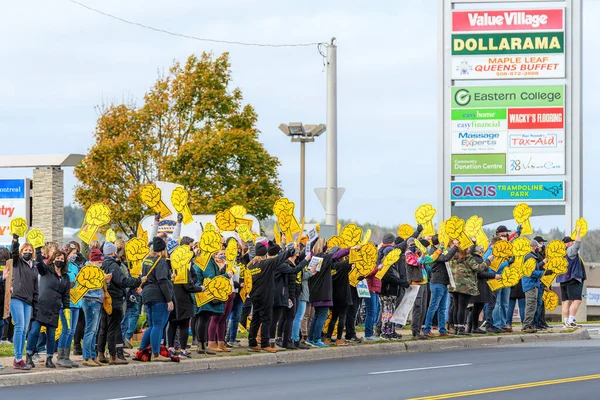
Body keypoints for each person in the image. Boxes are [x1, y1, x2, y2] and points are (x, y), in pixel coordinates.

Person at [25, 248, 71, 369]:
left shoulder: (65, 277)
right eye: (57, 258)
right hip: (41, 306)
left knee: (51, 335)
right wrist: (39, 250)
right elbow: (39, 263)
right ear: (53, 259)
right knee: (34, 331)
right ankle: (29, 355)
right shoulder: (46, 270)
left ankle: (49, 358)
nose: (59, 260)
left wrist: (67, 308)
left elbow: (66, 295)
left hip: (54, 309)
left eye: (62, 259)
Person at [98, 242, 142, 365]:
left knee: (104, 327)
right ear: (113, 252)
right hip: (114, 300)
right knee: (113, 328)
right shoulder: (113, 266)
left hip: (104, 299)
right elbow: (122, 281)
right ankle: (113, 356)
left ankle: (100, 353)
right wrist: (138, 281)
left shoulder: (102, 264)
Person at [247, 241, 295, 352]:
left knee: (256, 319)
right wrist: (290, 251)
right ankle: (265, 344)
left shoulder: (250, 265)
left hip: (255, 296)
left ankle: (252, 343)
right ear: (264, 253)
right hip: (266, 295)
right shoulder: (266, 263)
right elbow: (279, 258)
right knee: (266, 320)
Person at [307, 240, 349, 347]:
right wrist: (351, 249)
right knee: (322, 316)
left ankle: (310, 338)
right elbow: (337, 255)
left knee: (316, 316)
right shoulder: (323, 258)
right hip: (323, 293)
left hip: (315, 292)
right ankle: (316, 339)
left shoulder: (313, 258)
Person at [168, 236, 203, 357]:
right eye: (191, 247)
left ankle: (171, 348)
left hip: (172, 296)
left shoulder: (171, 262)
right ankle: (182, 350)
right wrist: (200, 288)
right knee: (183, 324)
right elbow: (188, 286)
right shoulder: (183, 265)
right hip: (182, 298)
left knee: (172, 324)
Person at [139, 237, 174, 361]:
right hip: (159, 295)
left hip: (147, 294)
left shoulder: (147, 260)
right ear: (163, 249)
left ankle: (141, 350)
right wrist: (169, 300)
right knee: (158, 325)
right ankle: (156, 353)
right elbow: (162, 281)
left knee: (152, 325)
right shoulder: (161, 262)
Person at [193, 246, 232, 355]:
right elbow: (211, 278)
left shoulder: (202, 258)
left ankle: (202, 345)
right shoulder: (207, 261)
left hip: (201, 291)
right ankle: (202, 345)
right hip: (206, 293)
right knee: (204, 319)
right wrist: (225, 275)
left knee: (202, 319)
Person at [9, 234, 38, 370]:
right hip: (17, 297)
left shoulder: (34, 267)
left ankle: (19, 359)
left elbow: (35, 286)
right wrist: (15, 240)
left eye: (30, 250)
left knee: (24, 329)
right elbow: (13, 252)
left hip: (28, 300)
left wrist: (35, 302)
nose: (28, 252)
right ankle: (18, 358)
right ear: (21, 252)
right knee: (19, 327)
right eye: (25, 250)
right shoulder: (17, 262)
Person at [449, 248, 493, 335]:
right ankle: (461, 328)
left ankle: (457, 328)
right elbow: (478, 268)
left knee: (456, 307)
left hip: (454, 285)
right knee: (462, 307)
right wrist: (488, 260)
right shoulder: (467, 257)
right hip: (465, 285)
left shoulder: (452, 257)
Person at [272, 244, 308, 350]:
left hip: (296, 293)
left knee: (290, 317)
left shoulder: (294, 262)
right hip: (289, 294)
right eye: (297, 251)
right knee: (289, 317)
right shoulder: (286, 264)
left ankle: (286, 340)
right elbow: (293, 272)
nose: (298, 252)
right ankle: (286, 341)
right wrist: (287, 296)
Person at [81, 249, 112, 367]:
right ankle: (87, 356)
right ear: (93, 261)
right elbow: (89, 286)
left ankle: (92, 355)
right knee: (90, 329)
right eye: (99, 261)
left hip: (97, 300)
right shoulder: (88, 270)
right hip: (91, 300)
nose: (101, 264)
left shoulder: (96, 270)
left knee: (94, 330)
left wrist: (105, 281)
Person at [422, 237, 458, 338]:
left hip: (443, 282)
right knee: (433, 307)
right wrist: (455, 246)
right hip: (437, 283)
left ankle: (442, 330)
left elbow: (449, 256)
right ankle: (427, 329)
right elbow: (445, 258)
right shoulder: (434, 252)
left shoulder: (440, 250)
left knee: (442, 308)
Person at [56, 243, 82, 368]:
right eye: (73, 253)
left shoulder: (75, 267)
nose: (75, 255)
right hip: (65, 303)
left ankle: (67, 356)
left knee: (71, 331)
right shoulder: (62, 267)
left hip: (76, 302)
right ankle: (60, 356)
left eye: (76, 253)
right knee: (66, 330)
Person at [207, 244, 235, 353]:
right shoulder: (214, 265)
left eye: (224, 254)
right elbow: (215, 278)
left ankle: (221, 342)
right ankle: (211, 342)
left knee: (223, 319)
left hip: (231, 292)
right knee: (216, 318)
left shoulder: (229, 265)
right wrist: (224, 269)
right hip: (221, 293)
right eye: (220, 254)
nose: (223, 256)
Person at [468, 246, 500, 335]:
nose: (482, 248)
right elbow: (480, 273)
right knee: (476, 308)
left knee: (477, 307)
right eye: (480, 247)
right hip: (479, 285)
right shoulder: (476, 259)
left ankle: (472, 327)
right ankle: (474, 327)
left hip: (480, 285)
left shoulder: (478, 258)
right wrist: (493, 275)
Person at [557, 227, 585, 328]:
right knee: (577, 300)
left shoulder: (559, 253)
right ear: (568, 243)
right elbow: (578, 243)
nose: (572, 243)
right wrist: (578, 231)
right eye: (571, 242)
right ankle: (571, 320)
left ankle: (566, 322)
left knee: (567, 301)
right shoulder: (570, 251)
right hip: (572, 279)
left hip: (563, 279)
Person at [325, 254, 352, 345]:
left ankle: (328, 338)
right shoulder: (342, 265)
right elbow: (353, 259)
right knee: (342, 317)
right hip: (344, 295)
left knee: (333, 317)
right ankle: (339, 339)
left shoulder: (330, 266)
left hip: (334, 295)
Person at [405, 237, 429, 339]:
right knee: (418, 307)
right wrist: (422, 254)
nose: (414, 247)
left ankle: (419, 329)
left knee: (423, 308)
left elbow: (428, 259)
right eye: (412, 245)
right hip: (415, 283)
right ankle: (415, 331)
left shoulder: (417, 253)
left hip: (423, 283)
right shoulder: (408, 255)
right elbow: (417, 262)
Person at [521, 239, 546, 333]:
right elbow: (531, 272)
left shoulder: (529, 257)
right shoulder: (531, 258)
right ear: (534, 247)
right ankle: (527, 325)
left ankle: (529, 325)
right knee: (531, 305)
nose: (539, 249)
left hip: (531, 283)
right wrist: (542, 273)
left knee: (532, 305)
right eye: (538, 247)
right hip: (530, 284)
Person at [292, 247, 312, 349]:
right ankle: (295, 339)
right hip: (301, 293)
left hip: (300, 292)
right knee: (298, 317)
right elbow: (303, 276)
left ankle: (294, 337)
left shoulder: (298, 264)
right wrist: (311, 272)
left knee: (297, 317)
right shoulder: (300, 265)